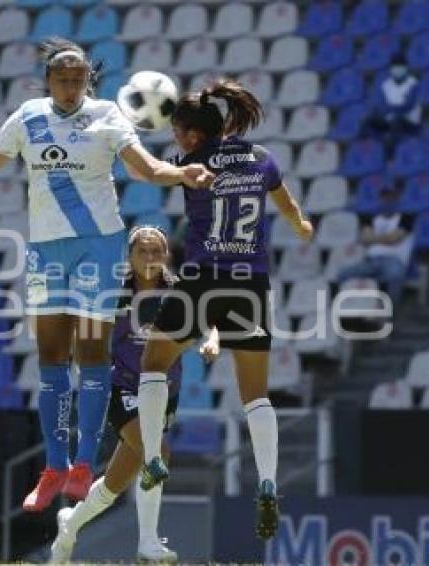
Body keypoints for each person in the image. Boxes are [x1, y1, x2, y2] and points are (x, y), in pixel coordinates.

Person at [0, 37, 212, 512]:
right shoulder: (27, 117)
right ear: (48, 81)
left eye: (78, 78)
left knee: (92, 353)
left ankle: (84, 465)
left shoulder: (107, 116)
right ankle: (54, 467)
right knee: (52, 359)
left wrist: (178, 174)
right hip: (46, 249)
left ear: (88, 81)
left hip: (100, 245)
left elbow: (144, 168)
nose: (69, 85)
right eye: (62, 78)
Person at [133, 79, 313, 540]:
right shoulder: (262, 159)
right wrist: (302, 225)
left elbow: (151, 172)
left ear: (194, 134)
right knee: (256, 395)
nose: (176, 138)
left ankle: (153, 457)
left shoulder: (192, 161)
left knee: (153, 363)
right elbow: (287, 204)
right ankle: (268, 482)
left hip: (202, 278)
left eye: (178, 130)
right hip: (250, 283)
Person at [49, 226, 220, 563]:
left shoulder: (178, 292)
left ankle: (71, 523)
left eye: (157, 251)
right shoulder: (112, 291)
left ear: (167, 255)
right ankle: (148, 543)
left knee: (113, 486)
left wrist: (212, 341)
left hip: (164, 388)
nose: (151, 257)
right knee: (156, 453)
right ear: (129, 256)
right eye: (143, 251)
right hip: (121, 384)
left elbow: (210, 321)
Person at [337, 182, 414, 305]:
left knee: (395, 275)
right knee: (343, 274)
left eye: (391, 196)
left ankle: (390, 311)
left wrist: (374, 238)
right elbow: (365, 238)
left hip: (394, 260)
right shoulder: (371, 218)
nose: (388, 200)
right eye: (385, 196)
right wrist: (385, 238)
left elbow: (394, 238)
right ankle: (346, 306)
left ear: (397, 198)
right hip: (371, 260)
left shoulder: (406, 218)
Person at [362, 56, 421, 151]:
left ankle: (389, 157)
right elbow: (381, 105)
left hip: (409, 122)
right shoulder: (386, 84)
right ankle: (365, 150)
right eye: (394, 66)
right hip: (389, 119)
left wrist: (390, 109)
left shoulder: (413, 83)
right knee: (367, 121)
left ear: (406, 68)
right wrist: (389, 109)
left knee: (396, 123)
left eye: (400, 66)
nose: (397, 69)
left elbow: (407, 106)